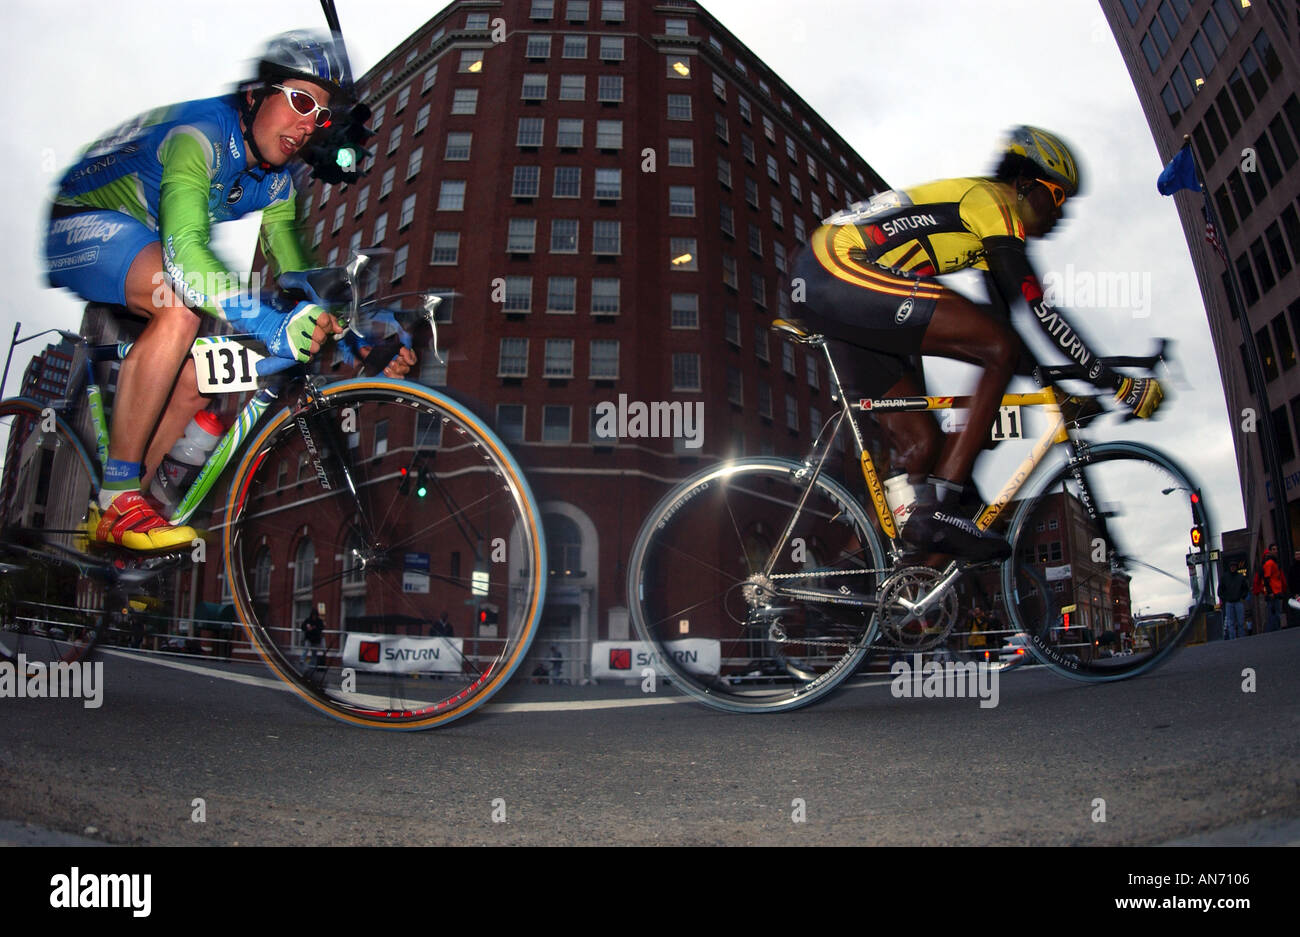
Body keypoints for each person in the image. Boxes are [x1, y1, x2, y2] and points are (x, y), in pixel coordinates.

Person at [44, 31, 414, 552]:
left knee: (195, 381)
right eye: (301, 102)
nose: (309, 124)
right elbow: (187, 259)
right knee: (179, 309)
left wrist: (359, 334)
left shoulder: (278, 181)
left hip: (147, 237)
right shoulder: (198, 136)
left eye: (320, 116)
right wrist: (269, 323)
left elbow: (296, 274)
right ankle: (117, 500)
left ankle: (113, 525)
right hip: (81, 221)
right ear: (256, 94)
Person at [791, 126, 1162, 560]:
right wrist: (1116, 383)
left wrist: (1057, 387)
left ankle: (849, 586)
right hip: (836, 268)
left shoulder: (987, 239)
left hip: (832, 291)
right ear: (1025, 184)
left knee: (922, 447)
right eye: (1058, 196)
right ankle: (942, 507)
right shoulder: (994, 202)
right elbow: (1037, 314)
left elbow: (1010, 337)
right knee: (996, 348)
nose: (1061, 214)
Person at [1218, 560, 1248, 641]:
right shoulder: (1225, 578)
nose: (1233, 568)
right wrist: (1225, 599)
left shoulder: (1240, 577)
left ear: (1236, 567)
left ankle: (1241, 638)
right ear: (1229, 567)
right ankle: (1233, 639)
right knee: (1231, 623)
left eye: (1234, 566)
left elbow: (1245, 588)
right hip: (1229, 602)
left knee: (1240, 621)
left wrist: (1242, 596)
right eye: (1231, 566)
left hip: (1238, 601)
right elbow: (1220, 590)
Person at [1261, 544, 1286, 633]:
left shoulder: (1273, 563)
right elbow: (1266, 578)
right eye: (1274, 549)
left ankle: (1275, 631)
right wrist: (1270, 592)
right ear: (1270, 551)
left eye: (1276, 549)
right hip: (1274, 592)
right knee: (1274, 613)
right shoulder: (1270, 563)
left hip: (1276, 590)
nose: (1276, 551)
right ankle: (1275, 631)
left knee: (1275, 613)